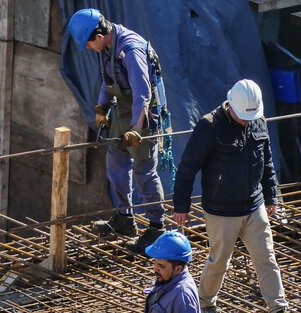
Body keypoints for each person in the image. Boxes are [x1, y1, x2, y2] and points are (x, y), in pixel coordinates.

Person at [172, 79, 289, 313]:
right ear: (230, 106)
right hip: (221, 210)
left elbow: (267, 163)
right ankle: (204, 304)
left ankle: (278, 307)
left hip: (254, 206)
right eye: (243, 115)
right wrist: (181, 205)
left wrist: (271, 196)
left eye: (251, 115)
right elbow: (187, 167)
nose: (247, 120)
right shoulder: (210, 126)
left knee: (266, 258)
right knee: (219, 262)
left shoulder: (258, 122)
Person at [68, 8, 166, 254]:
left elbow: (142, 95)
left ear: (99, 36)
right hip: (121, 109)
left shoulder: (131, 51)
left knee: (144, 171)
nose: (88, 48)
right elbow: (107, 79)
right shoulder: (107, 48)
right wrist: (101, 107)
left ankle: (157, 227)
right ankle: (125, 219)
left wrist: (136, 130)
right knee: (116, 166)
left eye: (88, 44)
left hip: (142, 114)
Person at [145, 232, 200, 313]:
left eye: (161, 265)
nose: (155, 268)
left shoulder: (182, 296)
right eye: (155, 263)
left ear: (178, 269)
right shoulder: (168, 281)